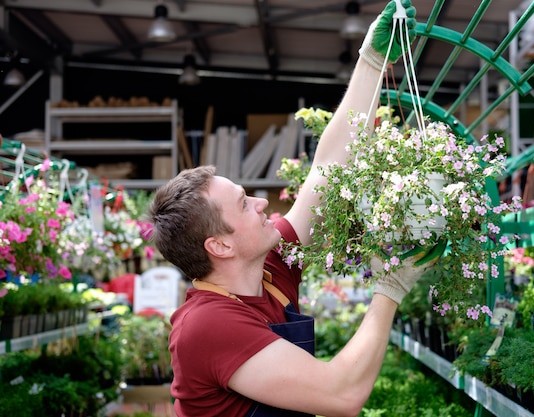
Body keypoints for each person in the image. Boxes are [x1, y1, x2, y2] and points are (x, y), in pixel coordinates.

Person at [148, 1, 441, 416]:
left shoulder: (268, 269)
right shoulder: (208, 325)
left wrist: (372, 61)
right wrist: (390, 288)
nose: (262, 201)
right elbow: (340, 395)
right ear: (220, 246)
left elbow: (325, 171)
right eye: (244, 204)